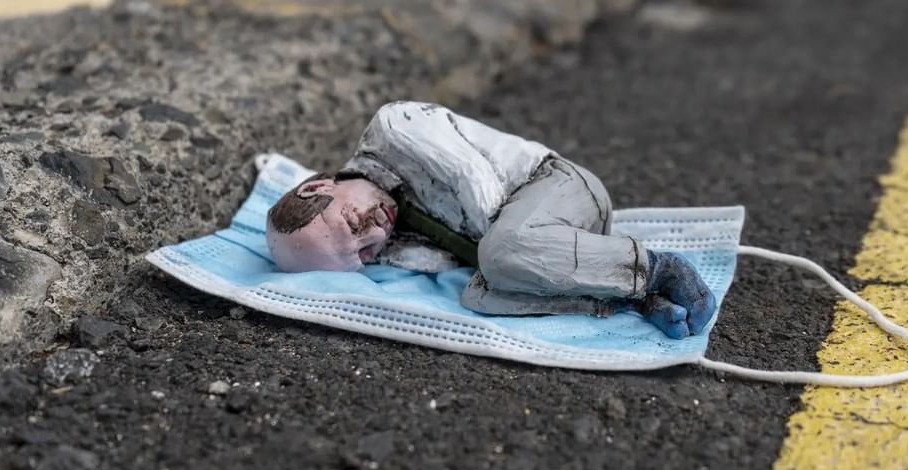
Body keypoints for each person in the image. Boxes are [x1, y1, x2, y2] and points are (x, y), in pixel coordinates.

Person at [266, 101, 716, 339]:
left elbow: (472, 175)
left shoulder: (393, 128)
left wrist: (501, 253)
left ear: (317, 187)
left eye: (352, 222)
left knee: (499, 257)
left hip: (558, 188)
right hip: (551, 256)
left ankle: (659, 268)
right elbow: (457, 265)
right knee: (477, 296)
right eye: (363, 255)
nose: (376, 232)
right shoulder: (393, 243)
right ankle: (633, 300)